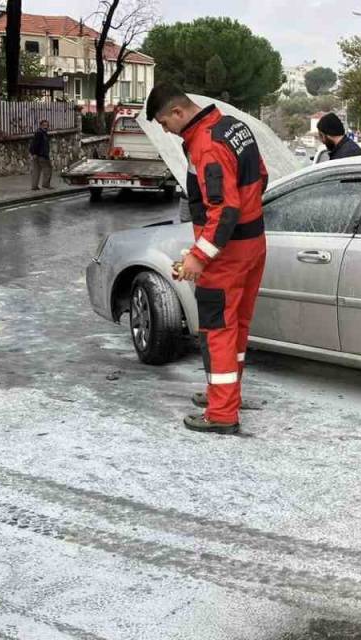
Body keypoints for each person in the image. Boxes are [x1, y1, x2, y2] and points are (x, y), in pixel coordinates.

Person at [146, 85, 267, 435]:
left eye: (164, 123)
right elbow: (260, 177)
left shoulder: (207, 144)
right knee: (237, 326)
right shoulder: (232, 127)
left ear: (179, 113)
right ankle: (227, 393)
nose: (166, 130)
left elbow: (224, 209)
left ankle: (222, 412)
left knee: (217, 330)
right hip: (252, 244)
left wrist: (199, 257)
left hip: (226, 255)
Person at [28, 119, 53, 190]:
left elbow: (34, 144)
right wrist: (34, 153)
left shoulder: (41, 133)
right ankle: (45, 184)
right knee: (48, 169)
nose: (46, 127)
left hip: (37, 155)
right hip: (42, 155)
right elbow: (36, 144)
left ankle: (34, 186)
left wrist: (33, 153)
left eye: (47, 125)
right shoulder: (40, 133)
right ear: (40, 125)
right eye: (44, 125)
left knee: (36, 170)